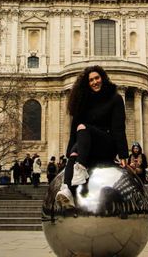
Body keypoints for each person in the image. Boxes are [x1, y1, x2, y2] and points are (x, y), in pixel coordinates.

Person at [56, 65, 128, 208]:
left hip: (107, 144)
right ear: (86, 84)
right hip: (86, 145)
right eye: (91, 80)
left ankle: (80, 169)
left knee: (83, 128)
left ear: (103, 78)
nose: (95, 82)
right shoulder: (83, 101)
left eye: (97, 78)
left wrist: (123, 154)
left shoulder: (115, 98)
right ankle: (66, 190)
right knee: (76, 146)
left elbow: (118, 128)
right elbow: (73, 130)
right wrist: (69, 152)